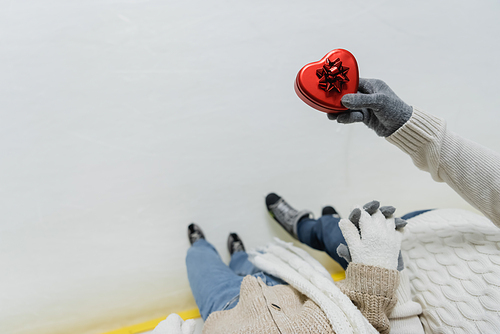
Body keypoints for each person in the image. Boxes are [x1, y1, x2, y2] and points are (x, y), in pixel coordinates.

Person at [154, 201, 405, 334]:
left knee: (200, 263)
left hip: (224, 310)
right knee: (247, 263)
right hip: (293, 289)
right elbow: (366, 323)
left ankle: (202, 246)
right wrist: (377, 268)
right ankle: (240, 255)